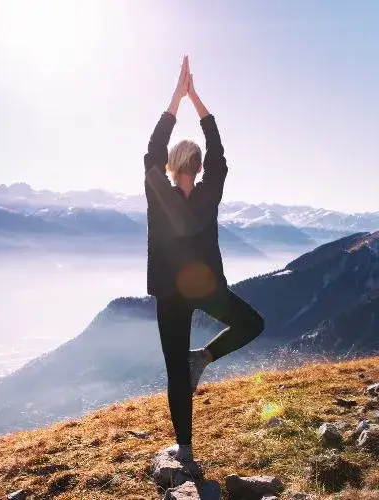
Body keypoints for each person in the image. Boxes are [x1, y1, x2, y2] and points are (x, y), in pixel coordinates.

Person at [144, 55, 265, 466]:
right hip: (203, 287)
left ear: (172, 164)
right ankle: (204, 363)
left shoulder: (161, 192)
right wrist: (194, 100)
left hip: (173, 292)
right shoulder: (204, 192)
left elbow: (153, 153)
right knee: (251, 323)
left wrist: (177, 100)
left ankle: (186, 447)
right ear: (192, 166)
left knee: (178, 370)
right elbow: (217, 151)